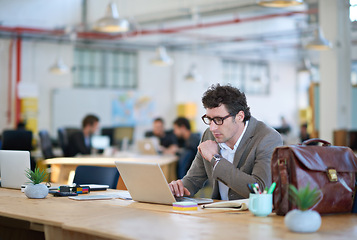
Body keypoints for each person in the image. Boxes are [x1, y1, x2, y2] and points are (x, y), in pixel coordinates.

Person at [169, 84, 283, 200]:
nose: (212, 128)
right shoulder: (209, 135)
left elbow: (260, 190)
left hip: (252, 215)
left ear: (239, 116)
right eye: (209, 119)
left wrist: (216, 159)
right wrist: (178, 188)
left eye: (219, 119)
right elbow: (193, 180)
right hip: (219, 213)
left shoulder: (267, 138)